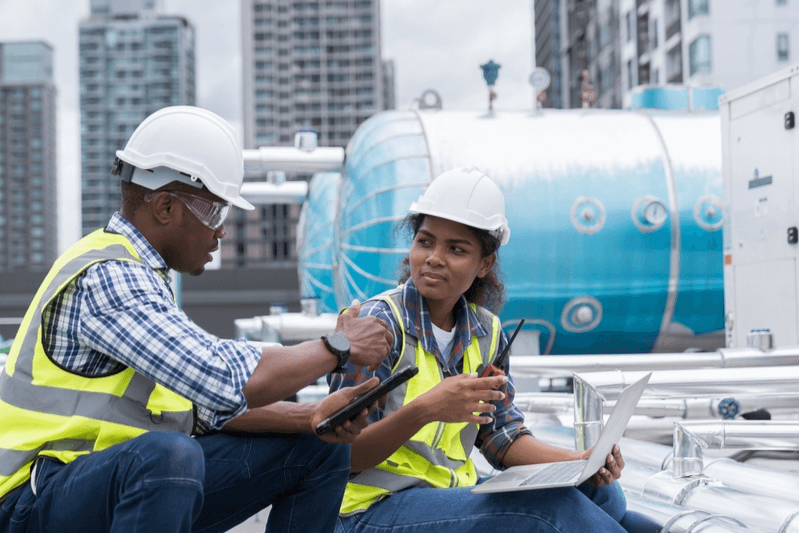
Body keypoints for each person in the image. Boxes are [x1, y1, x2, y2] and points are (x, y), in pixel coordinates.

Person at [0, 106, 393, 533]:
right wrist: (336, 346)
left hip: (108, 489)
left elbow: (200, 406)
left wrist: (313, 416)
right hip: (32, 501)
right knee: (169, 457)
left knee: (319, 447)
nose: (220, 232)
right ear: (166, 207)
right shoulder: (111, 276)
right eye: (215, 213)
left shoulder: (146, 280)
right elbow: (222, 380)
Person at [328, 167, 631, 533]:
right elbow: (341, 457)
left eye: (456, 249)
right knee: (547, 509)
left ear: (484, 264)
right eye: (425, 242)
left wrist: (582, 463)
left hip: (445, 501)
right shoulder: (379, 325)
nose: (434, 258)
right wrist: (426, 409)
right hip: (368, 510)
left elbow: (501, 438)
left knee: (605, 495)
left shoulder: (486, 333)